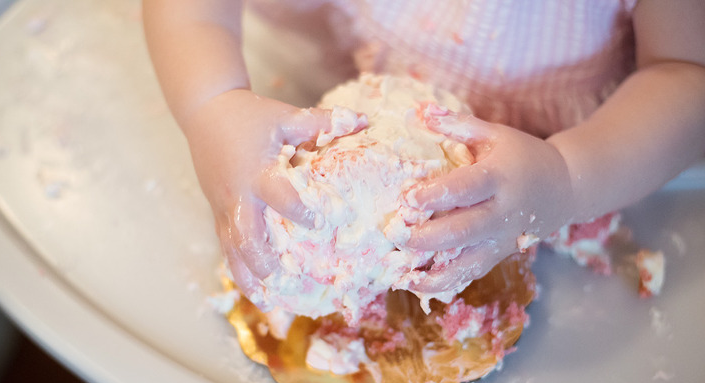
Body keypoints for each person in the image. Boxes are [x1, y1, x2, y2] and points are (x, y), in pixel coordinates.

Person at [142, 0, 705, 302]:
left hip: (580, 152)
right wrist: (212, 105)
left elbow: (686, 75)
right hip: (346, 78)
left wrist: (568, 177)